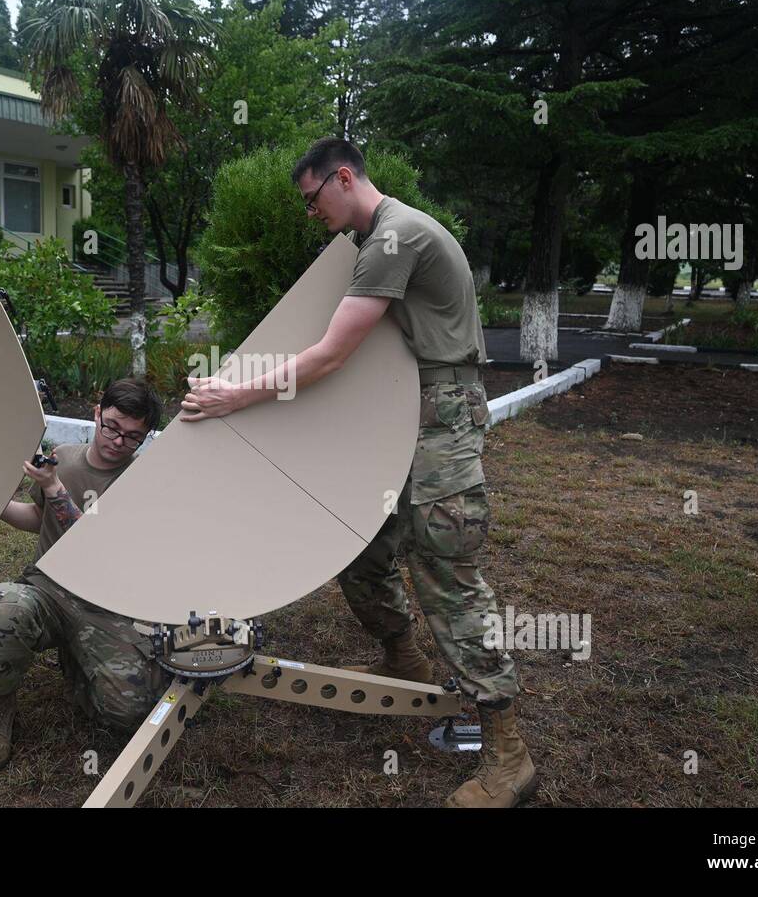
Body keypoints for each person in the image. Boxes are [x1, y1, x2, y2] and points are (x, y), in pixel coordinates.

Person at [179, 137, 536, 808]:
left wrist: (233, 395)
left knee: (448, 579)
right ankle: (404, 656)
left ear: (343, 178)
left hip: (441, 422)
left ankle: (508, 754)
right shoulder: (384, 235)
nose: (310, 212)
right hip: (405, 418)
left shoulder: (395, 238)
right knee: (360, 546)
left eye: (313, 198)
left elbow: (329, 356)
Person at [0, 378, 168, 771]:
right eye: (113, 427)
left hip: (106, 605)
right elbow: (38, 519)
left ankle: (77, 659)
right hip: (48, 588)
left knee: (131, 711)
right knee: (5, 609)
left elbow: (93, 545)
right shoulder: (64, 458)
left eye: (133, 437)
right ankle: (0, 703)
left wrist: (54, 488)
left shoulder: (143, 481)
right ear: (97, 413)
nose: (119, 441)